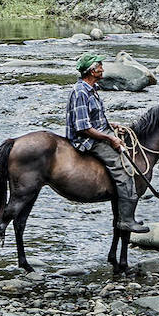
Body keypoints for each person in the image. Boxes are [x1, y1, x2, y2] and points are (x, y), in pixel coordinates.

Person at [65, 54, 149, 233]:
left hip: (97, 132)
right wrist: (111, 138)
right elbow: (83, 127)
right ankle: (126, 220)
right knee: (124, 169)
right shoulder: (81, 92)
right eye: (100, 66)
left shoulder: (91, 88)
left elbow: (94, 118)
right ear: (91, 71)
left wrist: (112, 126)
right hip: (86, 140)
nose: (103, 69)